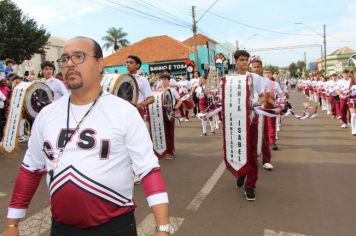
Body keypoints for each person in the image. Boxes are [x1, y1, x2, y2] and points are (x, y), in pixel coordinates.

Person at [3, 37, 173, 236]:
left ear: (99, 64)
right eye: (65, 58)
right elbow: (30, 170)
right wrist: (12, 224)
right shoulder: (47, 114)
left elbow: (148, 169)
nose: (69, 63)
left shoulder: (124, 112)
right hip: (61, 229)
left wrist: (162, 228)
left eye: (78, 56)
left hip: (115, 227)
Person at [229, 50, 272, 201]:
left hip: (252, 118)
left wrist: (254, 104)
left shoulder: (255, 78)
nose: (244, 62)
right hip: (236, 119)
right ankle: (241, 172)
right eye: (241, 60)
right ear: (235, 61)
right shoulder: (230, 79)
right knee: (239, 149)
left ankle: (250, 186)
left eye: (246, 60)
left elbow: (262, 97)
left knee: (253, 152)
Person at [250, 58, 273, 170]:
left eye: (258, 66)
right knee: (249, 138)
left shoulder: (266, 81)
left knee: (264, 136)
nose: (256, 68)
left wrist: (276, 105)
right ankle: (249, 160)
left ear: (261, 68)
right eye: (254, 66)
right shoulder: (246, 78)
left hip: (261, 111)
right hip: (248, 112)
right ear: (251, 67)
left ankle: (266, 160)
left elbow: (266, 97)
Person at [159, 74, 182, 160]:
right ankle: (163, 151)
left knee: (170, 134)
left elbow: (180, 100)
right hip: (160, 114)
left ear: (169, 81)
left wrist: (176, 107)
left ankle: (171, 152)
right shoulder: (157, 91)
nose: (163, 81)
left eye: (165, 79)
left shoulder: (172, 90)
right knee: (162, 134)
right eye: (162, 79)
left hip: (170, 113)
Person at [126, 55, 154, 120]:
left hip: (137, 112)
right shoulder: (121, 78)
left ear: (137, 65)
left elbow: (151, 98)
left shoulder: (143, 80)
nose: (128, 64)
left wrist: (141, 105)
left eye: (131, 62)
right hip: (123, 112)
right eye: (127, 62)